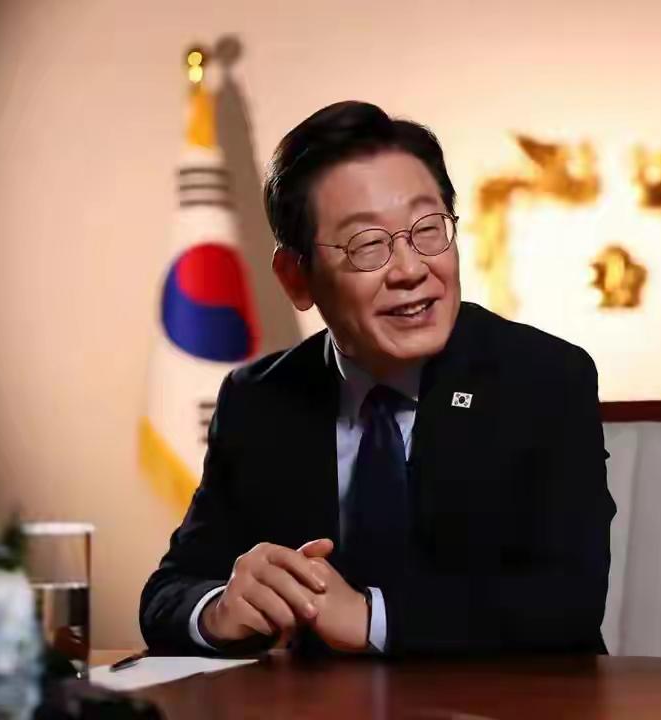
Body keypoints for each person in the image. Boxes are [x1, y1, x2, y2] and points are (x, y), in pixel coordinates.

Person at [140, 101, 615, 657]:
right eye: (367, 244)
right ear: (296, 278)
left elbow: (570, 599)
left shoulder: (544, 380)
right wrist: (221, 609)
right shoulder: (259, 399)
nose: (411, 270)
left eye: (428, 230)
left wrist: (370, 618)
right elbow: (168, 593)